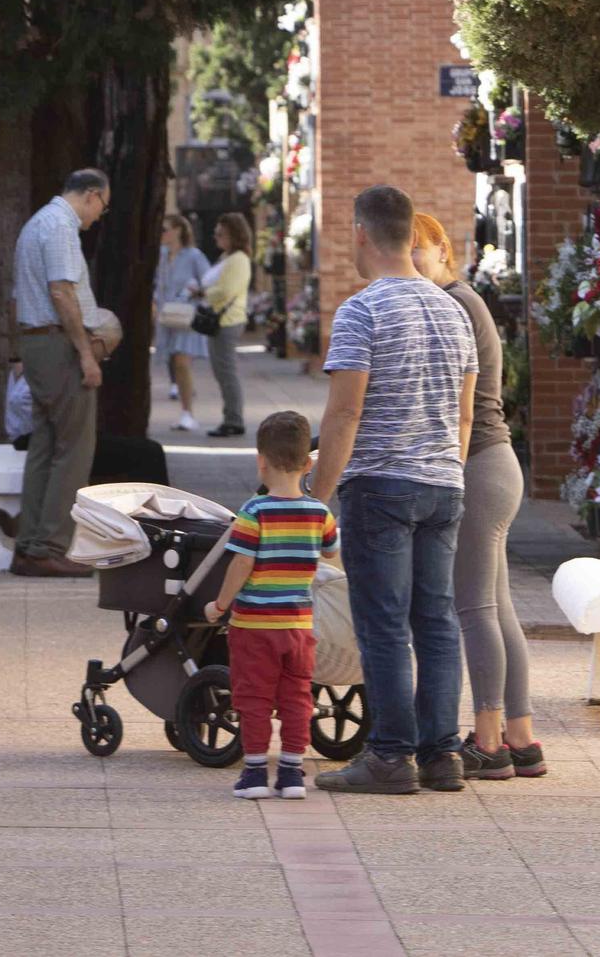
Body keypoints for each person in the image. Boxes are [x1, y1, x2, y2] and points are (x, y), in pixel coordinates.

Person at [308, 185, 477, 796]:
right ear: (411, 235)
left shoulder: (362, 311)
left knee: (382, 625)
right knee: (436, 621)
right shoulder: (453, 310)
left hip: (380, 486)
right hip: (442, 484)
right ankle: (442, 753)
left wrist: (315, 493)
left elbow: (345, 413)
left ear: (360, 233)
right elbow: (464, 415)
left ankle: (388, 755)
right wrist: (447, 469)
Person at [411, 213, 544, 779]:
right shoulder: (460, 300)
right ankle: (521, 736)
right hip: (495, 466)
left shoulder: (455, 304)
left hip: (478, 467)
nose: (410, 259)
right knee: (497, 607)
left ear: (444, 249)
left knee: (473, 609)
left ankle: (488, 741)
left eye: (418, 249)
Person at [203, 411, 337, 801]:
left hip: (254, 626)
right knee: (298, 698)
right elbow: (331, 552)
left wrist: (220, 604)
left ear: (261, 461)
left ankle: (256, 772)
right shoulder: (320, 514)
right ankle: (293, 774)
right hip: (298, 627)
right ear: (307, 464)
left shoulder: (253, 512)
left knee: (254, 698)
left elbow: (241, 563)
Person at [9, 168, 109, 578]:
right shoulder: (61, 226)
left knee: (46, 446)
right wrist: (86, 353)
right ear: (89, 195)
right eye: (103, 204)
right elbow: (61, 291)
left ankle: (30, 544)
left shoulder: (40, 222)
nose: (101, 215)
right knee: (73, 449)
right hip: (57, 344)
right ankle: (49, 545)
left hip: (38, 342)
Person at [154, 215, 211, 432]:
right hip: (166, 317)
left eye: (165, 229)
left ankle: (188, 413)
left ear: (178, 230)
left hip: (186, 318)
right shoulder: (161, 255)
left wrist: (193, 289)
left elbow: (208, 282)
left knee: (181, 361)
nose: (162, 234)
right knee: (175, 362)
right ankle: (185, 411)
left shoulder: (194, 256)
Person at [204, 213, 254, 438]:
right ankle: (230, 417)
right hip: (220, 320)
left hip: (227, 321)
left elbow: (226, 290)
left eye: (221, 234)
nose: (216, 238)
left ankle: (234, 420)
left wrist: (202, 292)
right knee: (221, 371)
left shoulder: (239, 259)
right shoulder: (227, 257)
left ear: (234, 235)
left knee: (226, 372)